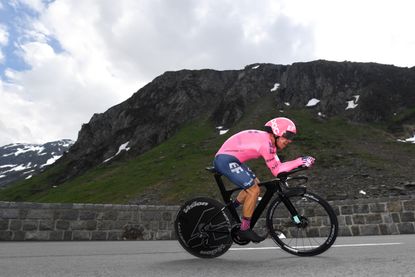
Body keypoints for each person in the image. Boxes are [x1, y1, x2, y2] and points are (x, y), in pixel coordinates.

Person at [213, 117, 315, 242]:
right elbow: (277, 170)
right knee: (253, 190)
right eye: (287, 135)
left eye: (292, 137)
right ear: (276, 133)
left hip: (233, 159)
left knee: (255, 184)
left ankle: (231, 209)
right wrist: (300, 161)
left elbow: (279, 166)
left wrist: (299, 163)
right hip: (225, 160)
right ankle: (244, 230)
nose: (289, 140)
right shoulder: (266, 144)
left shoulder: (268, 141)